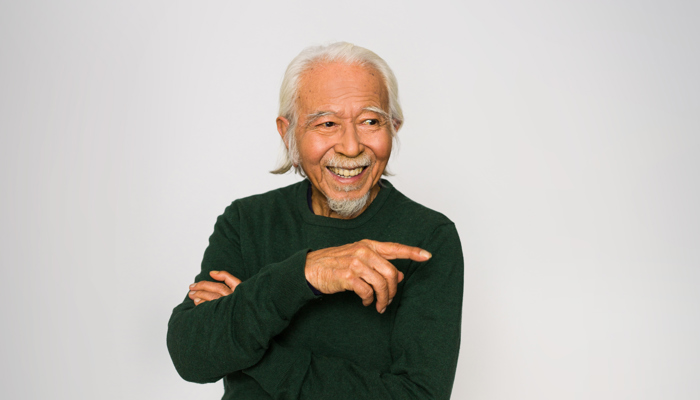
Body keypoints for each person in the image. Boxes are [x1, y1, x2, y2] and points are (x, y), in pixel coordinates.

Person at [167, 42, 464, 400]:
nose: (351, 147)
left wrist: (256, 353)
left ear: (394, 127)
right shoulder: (246, 222)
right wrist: (305, 274)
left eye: (370, 121)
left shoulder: (428, 238)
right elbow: (193, 356)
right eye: (327, 123)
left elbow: (419, 396)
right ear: (287, 132)